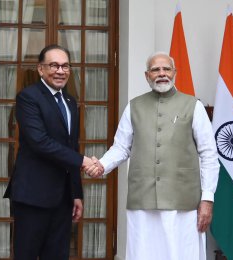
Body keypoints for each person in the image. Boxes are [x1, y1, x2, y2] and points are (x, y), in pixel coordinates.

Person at [86, 52, 220, 260]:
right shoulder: (134, 106)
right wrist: (102, 165)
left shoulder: (194, 106)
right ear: (147, 75)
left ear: (174, 72)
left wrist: (207, 199)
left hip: (182, 201)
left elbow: (209, 155)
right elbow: (121, 147)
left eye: (166, 69)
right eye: (155, 70)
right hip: (143, 200)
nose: (161, 73)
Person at [4, 44, 95, 260]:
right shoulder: (28, 98)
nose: (60, 71)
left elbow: (71, 146)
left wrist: (76, 194)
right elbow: (40, 142)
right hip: (32, 196)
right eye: (54, 65)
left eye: (65, 66)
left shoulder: (71, 102)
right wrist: (83, 161)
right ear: (40, 69)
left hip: (62, 199)